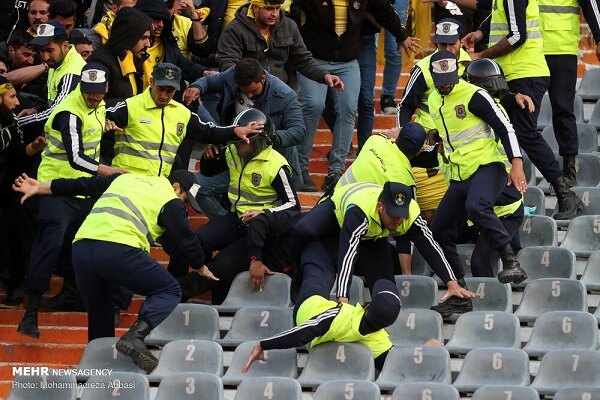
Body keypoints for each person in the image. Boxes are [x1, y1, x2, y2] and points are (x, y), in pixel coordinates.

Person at [12, 169, 207, 374]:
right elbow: (186, 239)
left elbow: (82, 185)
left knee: (101, 321)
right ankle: (135, 336)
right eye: (186, 200)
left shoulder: (124, 179)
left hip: (82, 249)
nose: (184, 206)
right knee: (170, 290)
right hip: (118, 248)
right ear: (176, 187)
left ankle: (96, 375)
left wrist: (40, 187)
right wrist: (201, 266)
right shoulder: (170, 198)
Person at [16, 64, 124, 338]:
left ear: (106, 89)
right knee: (50, 241)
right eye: (88, 92)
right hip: (55, 188)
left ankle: (79, 294)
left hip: (83, 189)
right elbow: (75, 157)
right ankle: (31, 314)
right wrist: (107, 170)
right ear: (81, 88)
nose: (93, 98)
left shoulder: (99, 106)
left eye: (98, 93)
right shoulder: (69, 111)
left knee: (91, 242)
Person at [426, 51, 528, 319]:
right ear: (434, 78)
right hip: (461, 174)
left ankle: (510, 260)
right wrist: (437, 137)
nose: (447, 84)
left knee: (476, 206)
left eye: (451, 79)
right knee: (437, 231)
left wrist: (516, 162)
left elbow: (505, 127)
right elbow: (453, 130)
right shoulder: (435, 99)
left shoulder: (474, 94)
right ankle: (458, 288)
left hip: (488, 167)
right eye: (442, 80)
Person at [462, 0, 584, 220]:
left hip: (525, 73)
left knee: (524, 132)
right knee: (506, 133)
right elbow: (506, 14)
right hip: (517, 73)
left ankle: (565, 194)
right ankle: (503, 200)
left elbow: (518, 36)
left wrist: (481, 56)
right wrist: (481, 32)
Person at [291, 0, 419, 192]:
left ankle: (335, 171)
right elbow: (291, 10)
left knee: (349, 108)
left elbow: (383, 9)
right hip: (313, 58)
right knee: (314, 104)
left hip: (347, 61)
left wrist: (401, 34)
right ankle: (300, 168)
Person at [168, 109, 300, 286]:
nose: (236, 147)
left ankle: (198, 292)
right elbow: (209, 171)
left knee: (222, 264)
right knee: (193, 242)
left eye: (241, 143)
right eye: (235, 142)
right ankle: (171, 285)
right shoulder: (233, 150)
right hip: (236, 218)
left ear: (258, 142)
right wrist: (208, 157)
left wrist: (264, 213)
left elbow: (293, 205)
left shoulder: (277, 165)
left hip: (261, 227)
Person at [291, 181, 475, 304]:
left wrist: (451, 282)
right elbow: (348, 254)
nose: (398, 222)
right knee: (304, 230)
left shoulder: (410, 214)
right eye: (393, 216)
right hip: (337, 212)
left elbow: (431, 246)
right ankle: (294, 273)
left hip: (374, 235)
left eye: (401, 217)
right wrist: (343, 297)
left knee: (385, 290)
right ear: (381, 207)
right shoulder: (359, 213)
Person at [105, 63, 263, 176]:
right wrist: (106, 123)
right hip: (126, 180)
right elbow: (98, 118)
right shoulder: (130, 106)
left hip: (158, 184)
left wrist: (235, 130)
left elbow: (207, 131)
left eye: (170, 91)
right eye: (160, 89)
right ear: (151, 81)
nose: (164, 96)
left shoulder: (181, 113)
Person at [182, 58, 306, 192]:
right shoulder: (232, 75)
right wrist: (196, 87)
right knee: (197, 189)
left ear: (263, 78)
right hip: (236, 152)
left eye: (253, 91)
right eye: (245, 91)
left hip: (270, 159)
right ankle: (229, 212)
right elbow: (208, 81)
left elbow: (299, 132)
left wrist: (268, 136)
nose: (249, 95)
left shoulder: (285, 95)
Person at [243, 273, 401, 372]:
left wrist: (262, 345)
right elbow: (397, 365)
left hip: (308, 305)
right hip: (317, 313)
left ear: (367, 307)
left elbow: (301, 333)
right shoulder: (381, 342)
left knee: (316, 271)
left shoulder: (341, 315)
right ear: (386, 325)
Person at [398, 18, 471, 224]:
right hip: (429, 145)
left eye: (451, 43)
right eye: (441, 44)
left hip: (463, 142)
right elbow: (404, 107)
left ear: (461, 42)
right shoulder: (422, 68)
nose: (445, 49)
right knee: (431, 211)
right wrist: (409, 136)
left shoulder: (472, 66)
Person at [538, 0, 600, 186]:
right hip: (530, 49)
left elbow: (590, 3)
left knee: (563, 109)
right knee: (524, 111)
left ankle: (569, 172)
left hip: (562, 48)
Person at [217, 0, 343, 89]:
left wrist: (324, 75)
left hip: (280, 91)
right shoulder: (235, 30)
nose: (275, 14)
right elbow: (228, 65)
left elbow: (303, 59)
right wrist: (252, 83)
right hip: (247, 94)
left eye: (277, 8)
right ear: (255, 7)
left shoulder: (289, 26)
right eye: (269, 9)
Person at [16, 21, 86, 131]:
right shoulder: (58, 63)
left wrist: (16, 124)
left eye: (49, 50)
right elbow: (54, 101)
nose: (44, 57)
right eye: (41, 51)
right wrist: (37, 110)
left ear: (65, 46)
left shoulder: (72, 72)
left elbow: (56, 111)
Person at [86, 7, 153, 107]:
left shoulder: (137, 60)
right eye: (143, 38)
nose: (148, 44)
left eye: (149, 38)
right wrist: (136, 104)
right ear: (128, 36)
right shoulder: (99, 63)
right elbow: (94, 104)